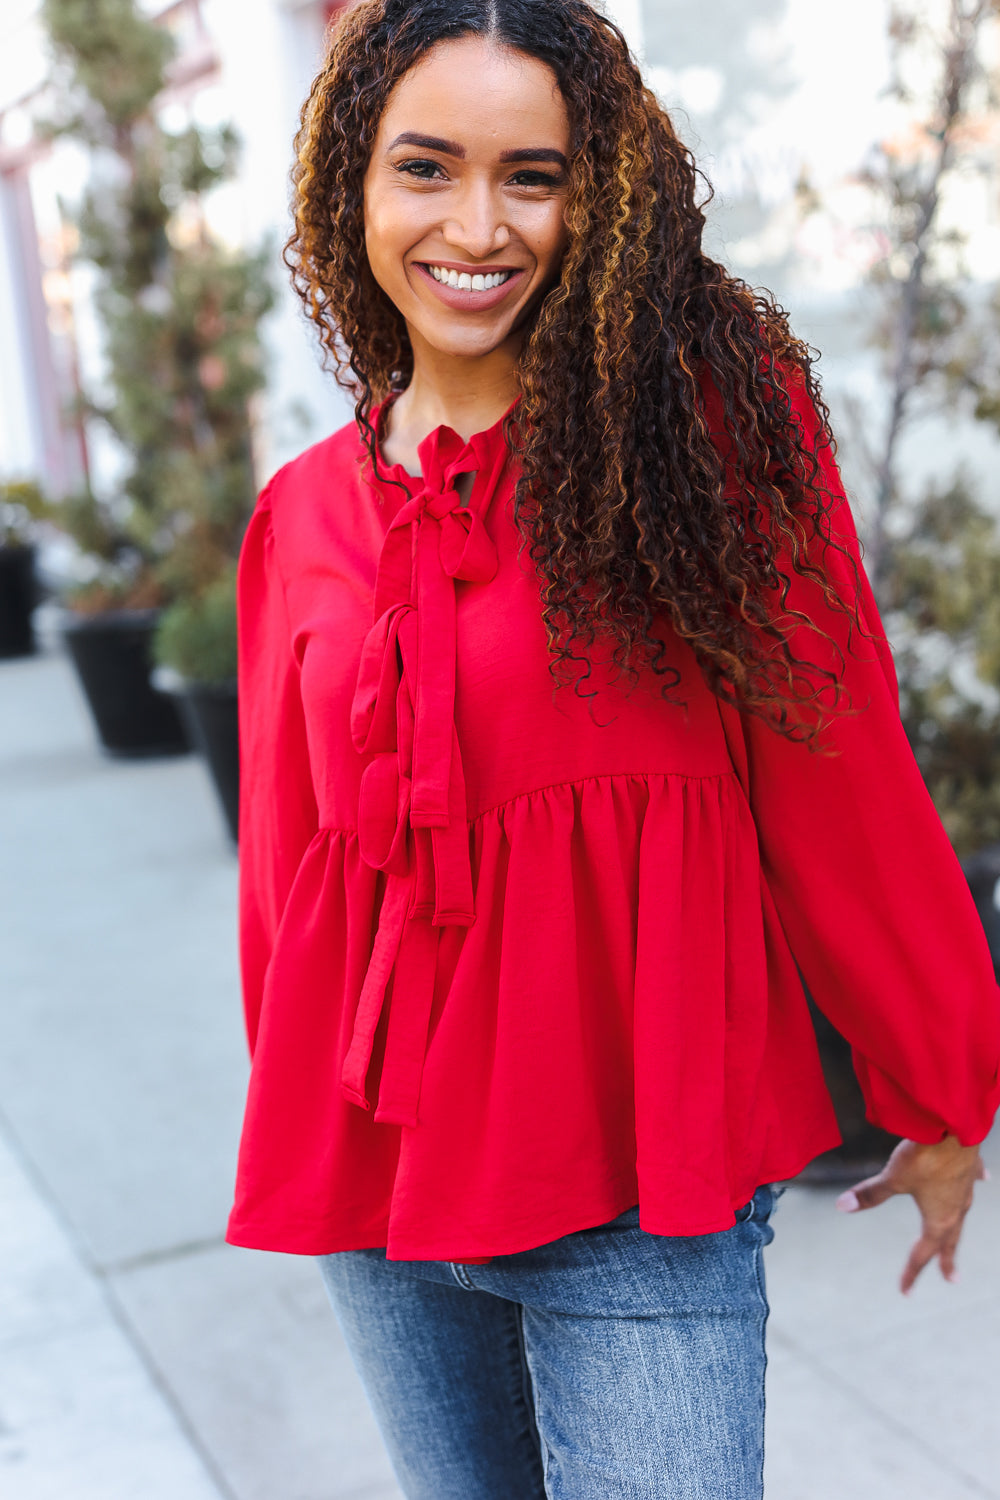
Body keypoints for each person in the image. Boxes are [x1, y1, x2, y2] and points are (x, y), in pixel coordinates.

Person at [226, 2, 1000, 1495]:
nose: (479, 223)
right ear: (353, 190)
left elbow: (843, 780)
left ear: (606, 196)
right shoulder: (301, 517)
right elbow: (286, 885)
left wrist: (939, 1088)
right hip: (382, 1214)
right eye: (428, 167)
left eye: (536, 174)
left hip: (638, 1201)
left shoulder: (702, 447)